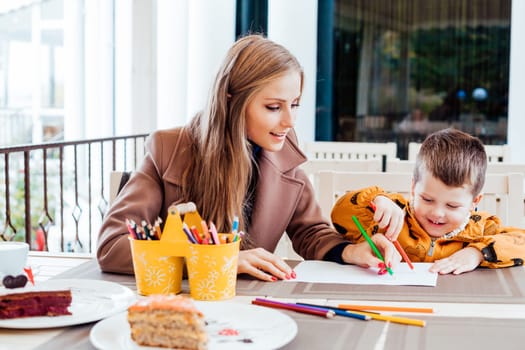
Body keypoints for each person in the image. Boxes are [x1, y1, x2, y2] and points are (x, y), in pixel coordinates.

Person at [97, 34, 399, 281]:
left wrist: (350, 251)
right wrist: (221, 260)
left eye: (294, 104)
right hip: (180, 303)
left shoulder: (283, 152)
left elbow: (310, 231)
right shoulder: (168, 148)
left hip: (253, 307)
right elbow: (113, 247)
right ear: (231, 102)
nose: (290, 121)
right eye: (273, 107)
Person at [331, 128, 525, 275]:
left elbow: (521, 242)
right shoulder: (392, 218)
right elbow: (339, 215)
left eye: (452, 206)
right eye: (427, 199)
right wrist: (377, 198)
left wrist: (477, 253)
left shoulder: (481, 228)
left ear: (475, 201)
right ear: (414, 188)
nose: (437, 213)